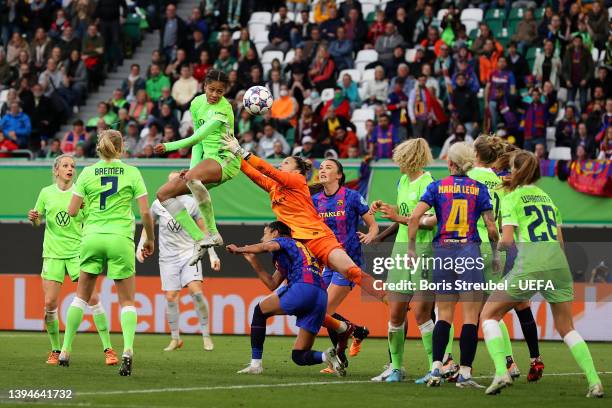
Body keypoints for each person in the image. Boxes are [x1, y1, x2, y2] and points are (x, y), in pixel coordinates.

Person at [481, 151, 604, 398]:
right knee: (566, 326)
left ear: (515, 170)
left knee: (489, 315)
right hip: (558, 265)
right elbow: (560, 241)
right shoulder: (548, 198)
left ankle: (501, 371)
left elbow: (506, 240)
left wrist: (498, 249)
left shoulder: (511, 197)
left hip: (531, 264)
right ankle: (594, 381)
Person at [58, 130, 155, 377]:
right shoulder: (132, 172)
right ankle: (128, 350)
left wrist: (88, 213)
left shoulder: (88, 172)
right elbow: (145, 213)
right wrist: (150, 239)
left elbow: (71, 210)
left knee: (81, 297)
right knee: (127, 301)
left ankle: (66, 350)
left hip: (92, 237)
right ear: (121, 148)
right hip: (120, 238)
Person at [408, 142, 499, 388]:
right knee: (470, 317)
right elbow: (491, 228)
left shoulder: (436, 186)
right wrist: (497, 255)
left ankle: (437, 368)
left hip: (443, 252)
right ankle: (466, 374)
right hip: (469, 250)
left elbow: (416, 217)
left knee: (443, 315)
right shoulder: (479, 189)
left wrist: (411, 248)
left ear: (450, 163)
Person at [368, 138, 451, 383]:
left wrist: (399, 216)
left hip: (424, 253)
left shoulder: (429, 184)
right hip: (401, 253)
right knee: (395, 313)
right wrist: (386, 209)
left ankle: (434, 368)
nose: (397, 164)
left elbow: (433, 220)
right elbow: (405, 212)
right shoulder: (403, 181)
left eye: (400, 160)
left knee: (422, 315)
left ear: (410, 159)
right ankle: (396, 368)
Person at [27, 155, 118, 366]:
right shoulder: (45, 193)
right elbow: (38, 222)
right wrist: (34, 219)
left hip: (78, 253)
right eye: (66, 166)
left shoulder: (81, 192)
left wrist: (87, 208)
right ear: (56, 170)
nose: (70, 169)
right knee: (50, 303)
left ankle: (108, 349)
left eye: (73, 166)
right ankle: (55, 350)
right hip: (53, 253)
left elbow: (91, 220)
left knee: (93, 298)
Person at [227, 221, 345, 376]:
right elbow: (272, 283)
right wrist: (253, 261)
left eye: (265, 233)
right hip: (320, 295)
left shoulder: (285, 241)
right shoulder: (293, 251)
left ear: (275, 233)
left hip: (303, 287)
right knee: (299, 355)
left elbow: (265, 247)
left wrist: (239, 249)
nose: (263, 238)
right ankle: (326, 356)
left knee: (259, 311)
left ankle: (256, 364)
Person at [154, 70, 241, 265]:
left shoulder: (224, 109)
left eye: (220, 91)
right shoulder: (196, 104)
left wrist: (168, 146)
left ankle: (213, 232)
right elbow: (198, 145)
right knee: (163, 194)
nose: (215, 95)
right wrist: (191, 169)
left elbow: (197, 137)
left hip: (225, 159)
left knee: (192, 179)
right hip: (207, 161)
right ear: (204, 87)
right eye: (211, 89)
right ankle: (200, 238)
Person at [137, 172, 219, 352]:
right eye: (170, 181)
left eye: (177, 180)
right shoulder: (158, 203)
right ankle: (175, 339)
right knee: (171, 297)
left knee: (196, 293)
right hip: (167, 258)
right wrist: (140, 245)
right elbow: (148, 224)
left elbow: (203, 229)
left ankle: (206, 336)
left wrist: (212, 254)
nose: (173, 184)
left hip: (189, 253)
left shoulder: (192, 202)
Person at [312, 159, 377, 370]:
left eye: (328, 167)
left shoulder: (351, 197)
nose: (323, 170)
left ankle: (339, 356)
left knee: (323, 311)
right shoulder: (315, 201)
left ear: (339, 175)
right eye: (320, 168)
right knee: (322, 312)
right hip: (327, 263)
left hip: (348, 263)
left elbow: (373, 225)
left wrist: (370, 235)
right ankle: (356, 332)